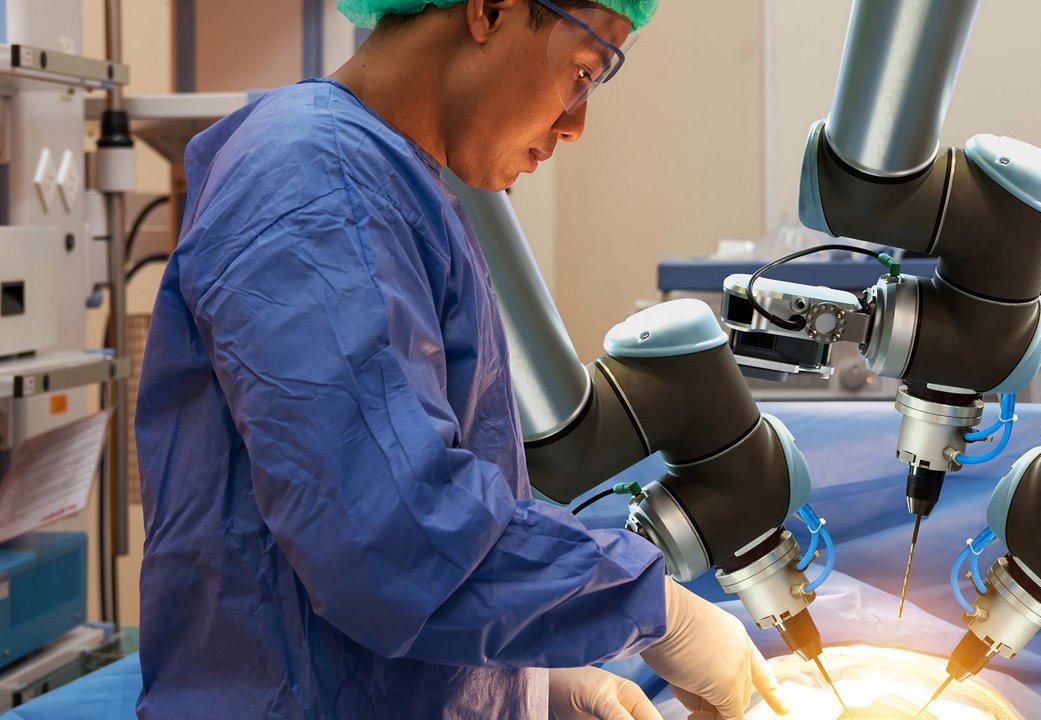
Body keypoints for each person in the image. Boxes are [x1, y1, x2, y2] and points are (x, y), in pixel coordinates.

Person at [134, 1, 789, 718]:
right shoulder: (317, 187)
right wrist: (655, 609)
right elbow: (391, 539)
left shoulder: (384, 182)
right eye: (583, 72)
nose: (575, 125)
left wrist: (521, 683)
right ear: (490, 10)